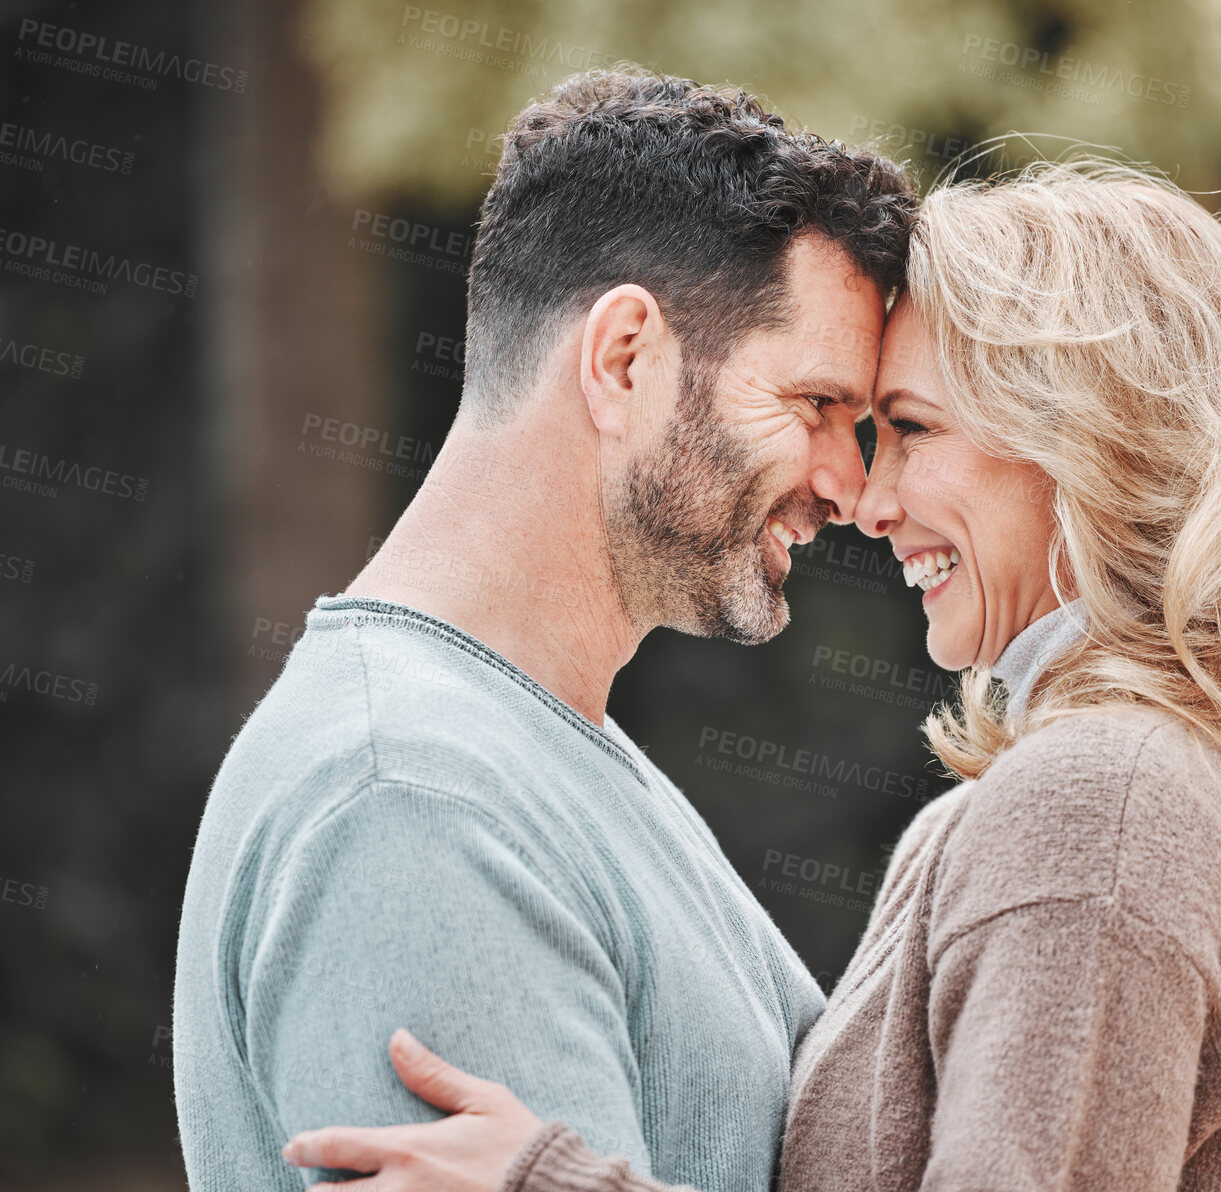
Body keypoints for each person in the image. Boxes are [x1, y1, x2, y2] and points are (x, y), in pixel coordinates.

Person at [280, 161, 1221, 1190]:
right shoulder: (1134, 778)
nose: (869, 503)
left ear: (1091, 446)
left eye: (911, 429)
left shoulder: (1108, 798)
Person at [170, 68, 916, 1192]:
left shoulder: (536, 747)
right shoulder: (414, 804)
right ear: (624, 358)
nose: (850, 489)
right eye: (816, 407)